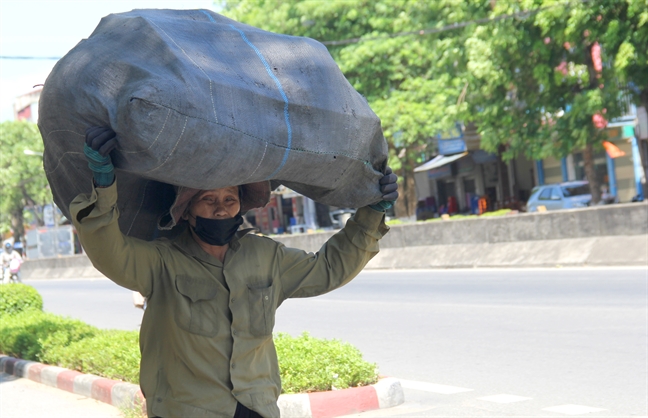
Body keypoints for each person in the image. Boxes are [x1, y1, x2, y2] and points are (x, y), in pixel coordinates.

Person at [71, 127, 398, 418]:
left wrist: (370, 215)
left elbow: (328, 269)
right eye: (208, 199)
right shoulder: (161, 262)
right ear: (186, 212)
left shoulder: (265, 256)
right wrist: (103, 185)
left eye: (229, 198)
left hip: (257, 408)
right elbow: (109, 251)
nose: (221, 207)